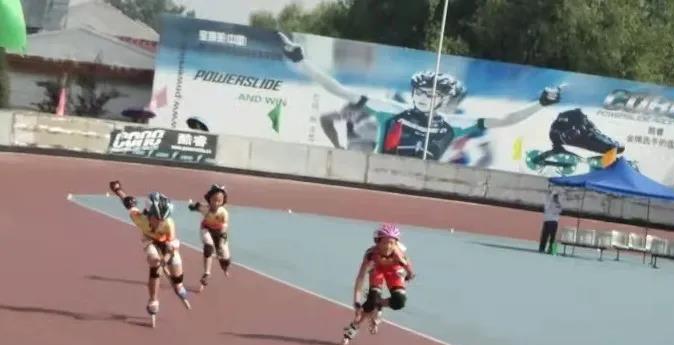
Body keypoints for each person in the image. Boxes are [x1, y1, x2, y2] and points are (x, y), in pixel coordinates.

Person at [278, 32, 562, 161]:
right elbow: (340, 90)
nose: (425, 98)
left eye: (432, 95)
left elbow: (505, 119)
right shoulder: (390, 109)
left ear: (443, 100)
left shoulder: (455, 123)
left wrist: (541, 103)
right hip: (382, 173)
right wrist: (301, 61)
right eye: (421, 93)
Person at [108, 180, 191, 327]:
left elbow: (171, 248)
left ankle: (179, 285)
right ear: (149, 213)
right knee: (154, 263)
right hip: (150, 241)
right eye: (156, 219)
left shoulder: (169, 223)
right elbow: (128, 202)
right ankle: (153, 300)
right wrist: (118, 190)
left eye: (163, 219)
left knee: (175, 264)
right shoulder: (139, 218)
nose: (160, 222)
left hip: (167, 243)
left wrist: (165, 260)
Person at [343, 224, 415, 345]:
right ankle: (355, 325)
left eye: (392, 243)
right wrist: (356, 302)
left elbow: (410, 270)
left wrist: (408, 275)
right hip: (377, 269)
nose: (388, 246)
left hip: (393, 269)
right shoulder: (370, 255)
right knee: (371, 300)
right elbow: (360, 279)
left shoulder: (399, 255)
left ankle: (379, 304)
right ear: (378, 242)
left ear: (396, 244)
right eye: (385, 242)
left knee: (399, 301)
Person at [188, 184, 231, 292]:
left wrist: (220, 244)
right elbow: (194, 207)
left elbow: (224, 230)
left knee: (225, 257)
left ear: (223, 201)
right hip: (206, 229)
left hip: (220, 233)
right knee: (208, 247)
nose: (216, 203)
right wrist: (190, 205)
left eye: (219, 201)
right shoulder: (205, 208)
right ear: (209, 199)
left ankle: (225, 267)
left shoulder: (223, 213)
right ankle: (207, 273)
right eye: (214, 200)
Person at [540, 188, 563, 254]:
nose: (556, 198)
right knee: (544, 236)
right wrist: (549, 192)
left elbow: (559, 211)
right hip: (547, 220)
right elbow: (546, 206)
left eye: (556, 197)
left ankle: (552, 250)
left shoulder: (558, 204)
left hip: (553, 221)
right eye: (555, 196)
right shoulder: (549, 202)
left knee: (552, 237)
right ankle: (542, 249)